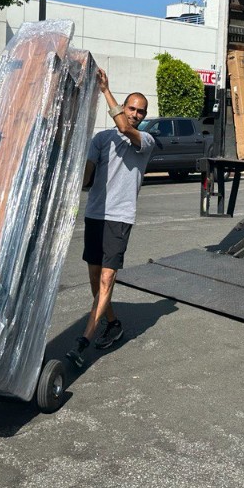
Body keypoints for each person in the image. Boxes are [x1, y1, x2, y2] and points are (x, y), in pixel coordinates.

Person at [66, 68, 153, 368]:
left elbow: (127, 131)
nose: (135, 115)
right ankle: (112, 322)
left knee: (107, 277)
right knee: (94, 277)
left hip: (119, 218)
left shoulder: (144, 141)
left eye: (141, 111)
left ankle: (84, 341)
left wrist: (105, 90)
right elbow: (87, 176)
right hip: (95, 216)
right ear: (125, 107)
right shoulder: (101, 139)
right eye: (132, 108)